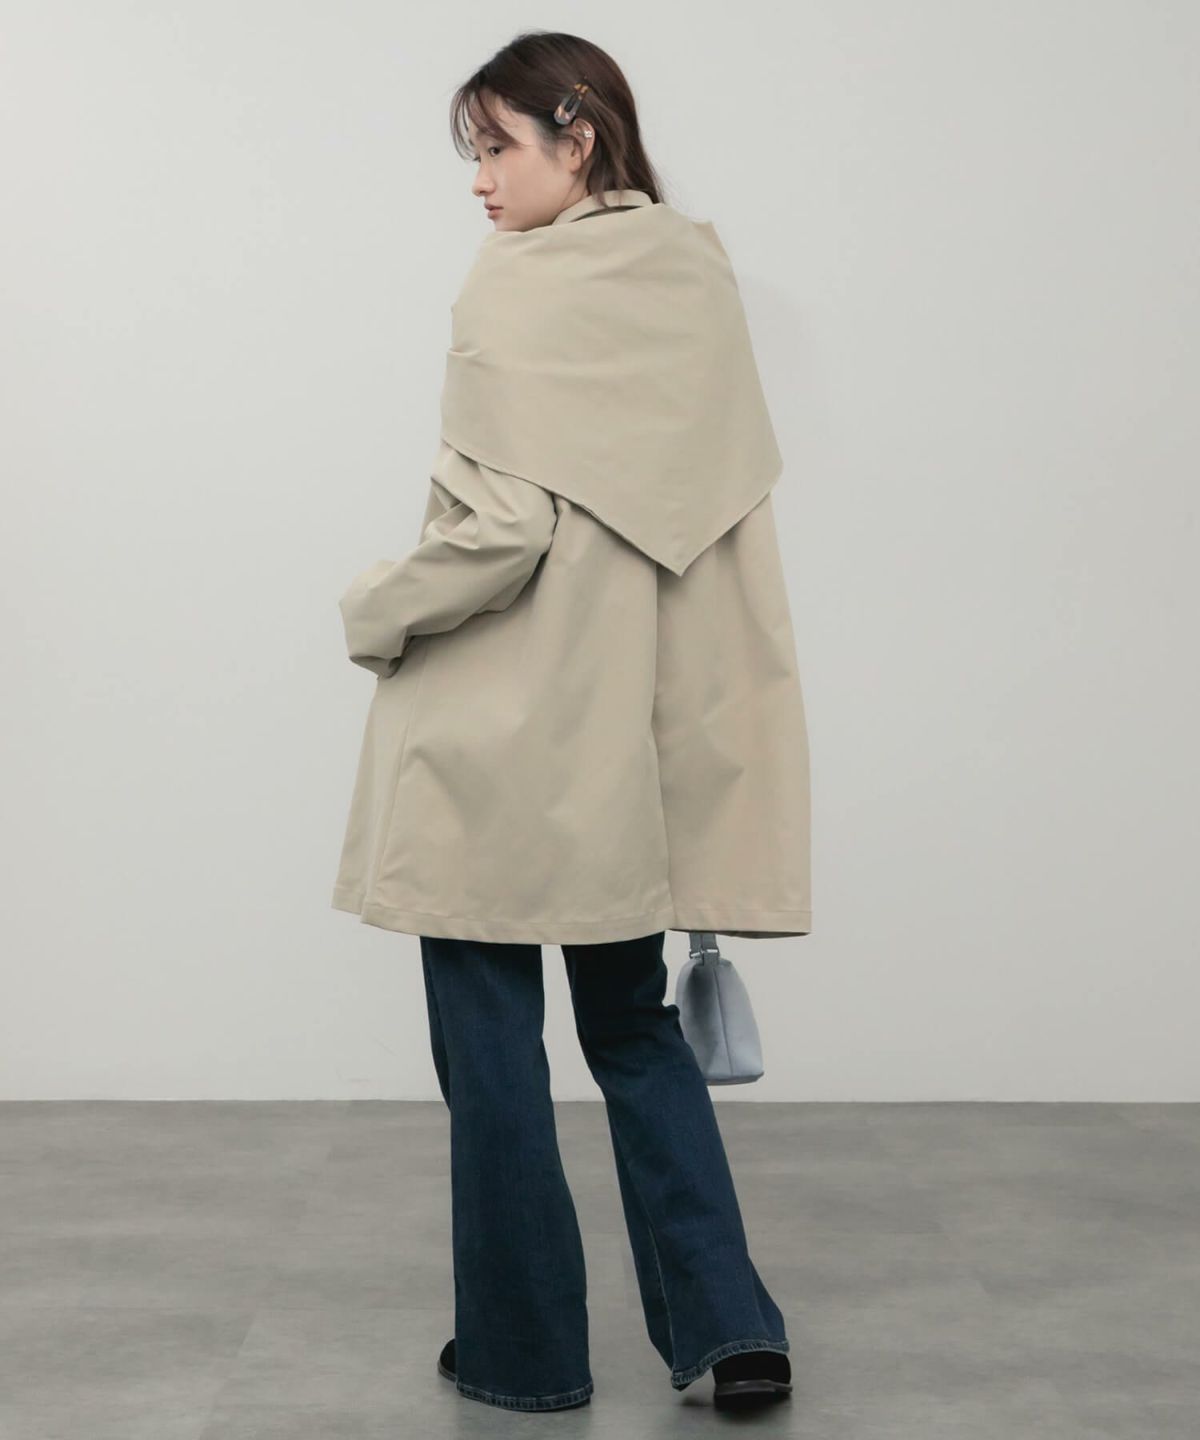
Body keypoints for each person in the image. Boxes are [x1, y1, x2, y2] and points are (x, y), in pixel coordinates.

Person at [331, 30, 811, 1413]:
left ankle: (526, 1350)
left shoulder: (515, 286)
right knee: (634, 1029)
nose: (480, 181)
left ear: (577, 137)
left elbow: (500, 533)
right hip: (627, 746)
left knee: (491, 1051)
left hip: (493, 743)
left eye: (497, 146)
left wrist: (373, 607)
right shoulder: (696, 280)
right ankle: (729, 1327)